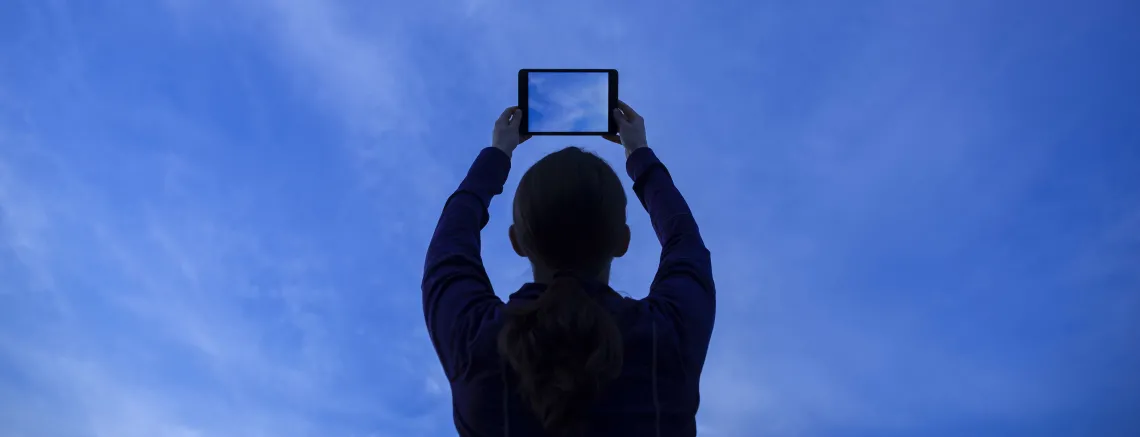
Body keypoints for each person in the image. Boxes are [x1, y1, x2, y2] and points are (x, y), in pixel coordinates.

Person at [423, 100, 715, 436]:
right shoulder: (668, 337)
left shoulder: (476, 342)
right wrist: (638, 152)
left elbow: (448, 246)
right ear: (623, 241)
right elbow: (685, 241)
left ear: (517, 242)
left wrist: (498, 153)